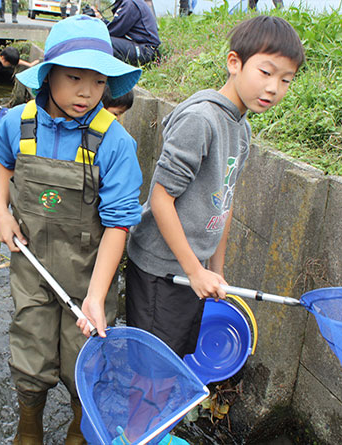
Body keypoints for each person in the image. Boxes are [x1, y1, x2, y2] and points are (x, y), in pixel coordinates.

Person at [125, 11, 304, 405]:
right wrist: (194, 269)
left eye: (286, 80)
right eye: (266, 72)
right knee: (151, 368)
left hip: (192, 272)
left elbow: (225, 199)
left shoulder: (241, 126)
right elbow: (160, 199)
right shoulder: (200, 120)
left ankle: (152, 424)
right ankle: (133, 429)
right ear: (234, 62)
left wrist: (214, 270)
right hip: (162, 272)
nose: (274, 88)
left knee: (174, 360)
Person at [0, 15, 143, 445]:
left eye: (98, 81)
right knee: (30, 348)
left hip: (88, 273)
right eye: (75, 77)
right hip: (31, 264)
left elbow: (118, 224)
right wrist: (2, 211)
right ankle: (29, 429)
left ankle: (79, 432)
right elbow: (3, 161)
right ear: (48, 74)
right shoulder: (17, 123)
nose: (87, 92)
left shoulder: (113, 142)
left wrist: (96, 296)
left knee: (86, 360)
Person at [93, 0, 160, 66]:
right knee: (105, 40)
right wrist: (100, 19)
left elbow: (113, 31)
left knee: (104, 42)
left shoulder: (130, 4)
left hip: (146, 51)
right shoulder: (129, 3)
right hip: (142, 47)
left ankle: (119, 71)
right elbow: (115, 27)